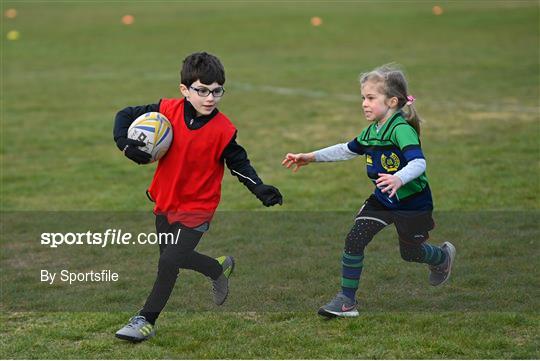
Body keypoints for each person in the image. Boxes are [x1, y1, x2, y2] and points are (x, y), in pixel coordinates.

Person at [113, 52, 283, 341]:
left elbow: (239, 163)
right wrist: (125, 144)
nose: (210, 98)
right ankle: (217, 268)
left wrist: (260, 188)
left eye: (217, 91)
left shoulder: (224, 130)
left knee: (168, 263)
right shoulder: (167, 109)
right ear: (185, 90)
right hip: (165, 201)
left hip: (198, 208)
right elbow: (125, 114)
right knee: (171, 258)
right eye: (202, 90)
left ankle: (146, 320)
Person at [282, 64, 455, 318]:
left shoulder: (400, 129)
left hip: (412, 203)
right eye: (363, 98)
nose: (364, 103)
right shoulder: (371, 132)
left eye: (371, 98)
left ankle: (441, 257)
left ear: (392, 101)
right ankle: (346, 302)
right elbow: (345, 149)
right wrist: (309, 157)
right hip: (383, 200)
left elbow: (419, 163)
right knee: (355, 238)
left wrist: (398, 178)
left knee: (410, 253)